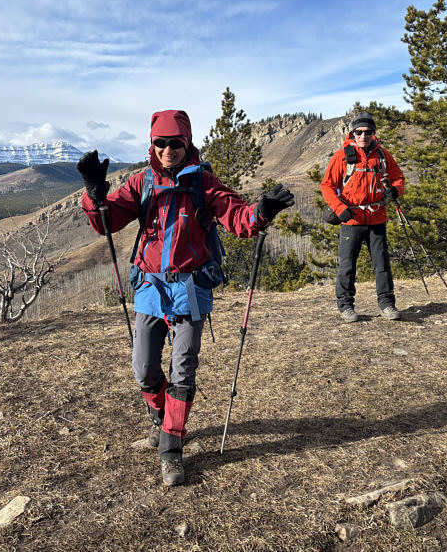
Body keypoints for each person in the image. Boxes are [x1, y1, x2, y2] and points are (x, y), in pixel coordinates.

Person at [77, 109, 294, 486]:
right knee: (144, 368)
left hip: (191, 290)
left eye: (175, 143)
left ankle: (171, 449)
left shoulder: (204, 183)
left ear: (187, 143)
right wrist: (94, 197)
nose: (167, 149)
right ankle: (163, 421)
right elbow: (107, 222)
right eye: (160, 143)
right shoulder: (142, 182)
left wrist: (261, 212)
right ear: (152, 145)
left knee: (183, 370)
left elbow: (237, 217)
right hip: (150, 287)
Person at [320, 111, 405, 322]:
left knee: (382, 265)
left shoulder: (382, 155)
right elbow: (327, 186)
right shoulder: (342, 156)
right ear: (353, 133)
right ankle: (346, 306)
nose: (363, 136)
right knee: (347, 265)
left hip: (377, 218)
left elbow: (398, 178)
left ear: (373, 133)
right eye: (359, 132)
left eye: (367, 132)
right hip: (351, 218)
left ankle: (387, 305)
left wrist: (395, 191)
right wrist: (339, 209)